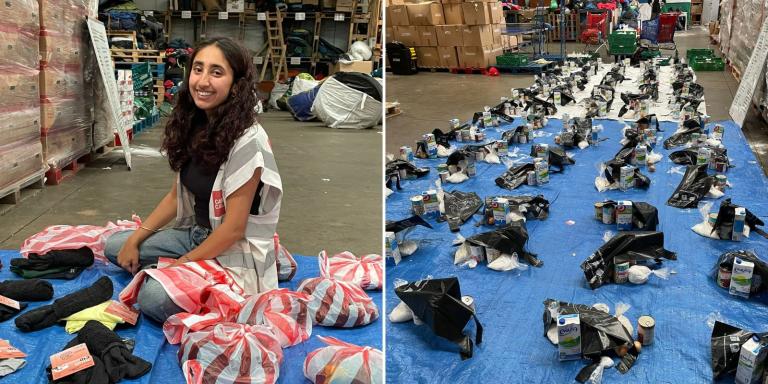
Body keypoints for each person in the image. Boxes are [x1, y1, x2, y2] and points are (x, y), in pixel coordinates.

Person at [104, 37, 283, 323]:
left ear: (236, 84)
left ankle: (244, 272)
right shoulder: (197, 122)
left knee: (152, 299)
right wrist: (136, 239)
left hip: (232, 248)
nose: (202, 81)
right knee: (115, 247)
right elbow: (177, 196)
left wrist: (181, 265)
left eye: (216, 72)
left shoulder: (250, 142)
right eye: (198, 69)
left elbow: (234, 230)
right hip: (196, 234)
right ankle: (189, 274)